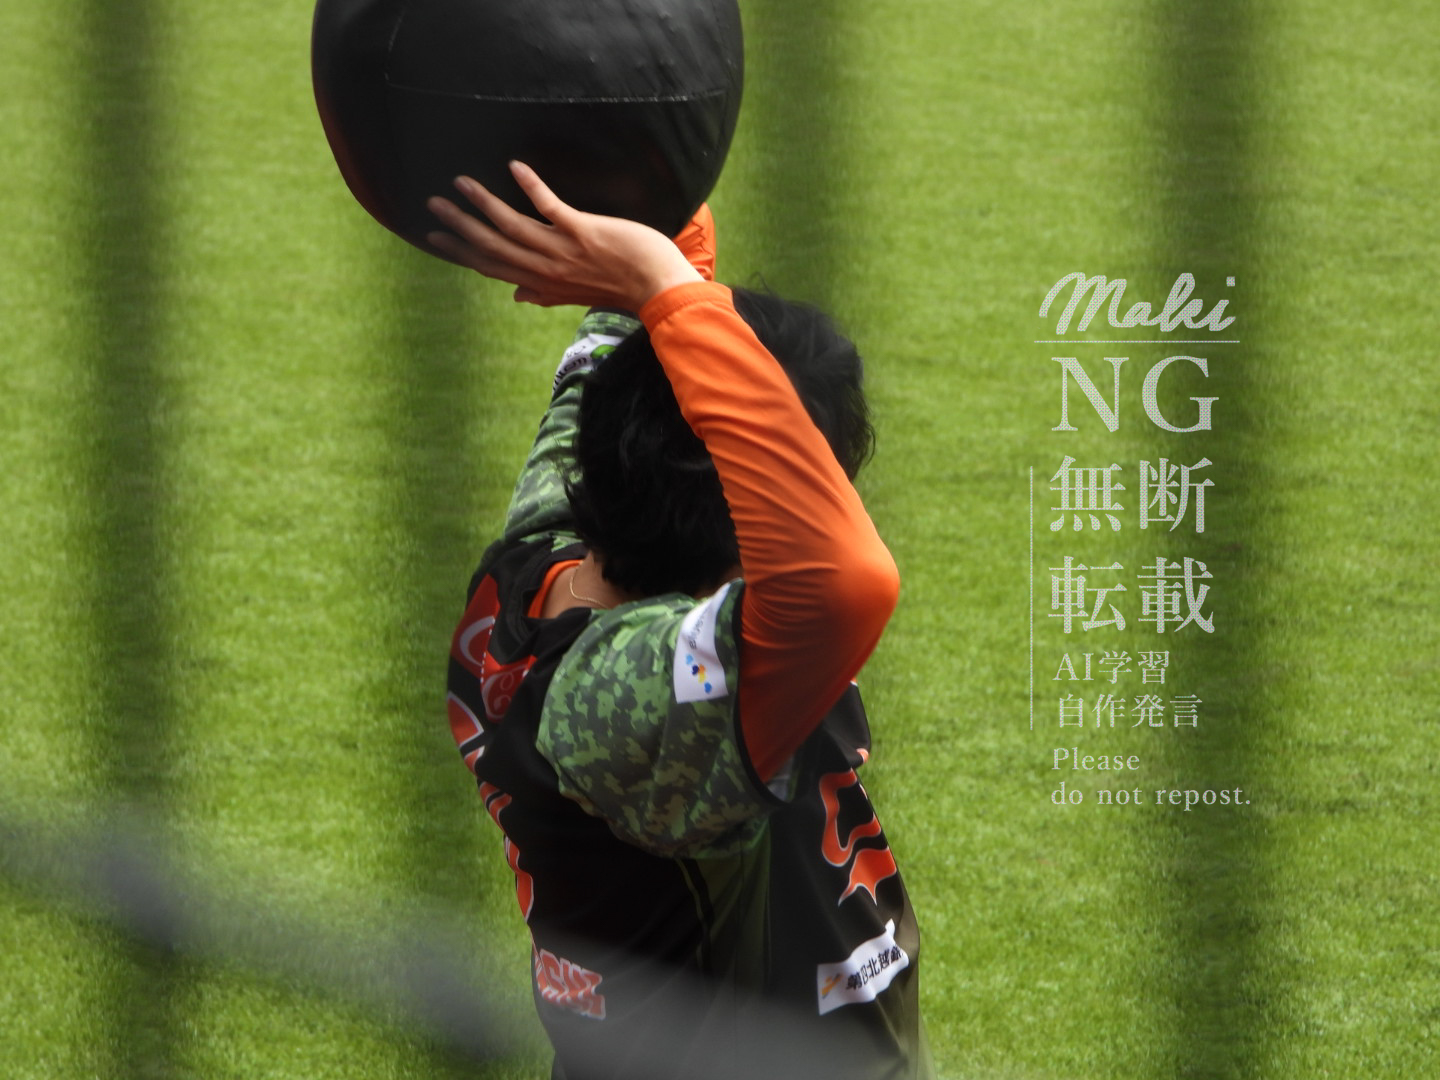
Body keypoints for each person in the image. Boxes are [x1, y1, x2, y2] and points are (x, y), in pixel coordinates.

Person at [428, 162, 933, 1080]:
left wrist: (654, 235)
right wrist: (661, 284)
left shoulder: (560, 525)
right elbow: (843, 583)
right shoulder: (639, 708)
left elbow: (664, 244)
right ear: (746, 556)